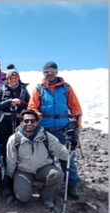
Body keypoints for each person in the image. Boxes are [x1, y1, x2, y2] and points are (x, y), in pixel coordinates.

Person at [28, 61, 83, 200]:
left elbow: (76, 109)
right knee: (46, 159)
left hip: (63, 128)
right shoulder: (38, 89)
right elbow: (32, 107)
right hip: (45, 129)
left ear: (57, 72)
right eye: (46, 71)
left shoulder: (66, 88)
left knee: (67, 157)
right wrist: (36, 113)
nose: (49, 73)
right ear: (43, 73)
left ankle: (72, 184)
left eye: (52, 70)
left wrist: (77, 126)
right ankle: (50, 184)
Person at [6, 109, 74, 208]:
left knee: (57, 175)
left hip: (43, 168)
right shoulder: (14, 139)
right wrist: (10, 179)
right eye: (26, 121)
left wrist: (70, 146)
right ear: (21, 122)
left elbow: (62, 154)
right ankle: (24, 188)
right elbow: (11, 160)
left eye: (33, 121)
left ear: (37, 122)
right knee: (23, 197)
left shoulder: (46, 136)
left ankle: (46, 196)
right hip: (23, 171)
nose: (29, 123)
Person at [0, 68, 30, 166]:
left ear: (18, 78)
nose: (13, 80)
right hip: (4, 122)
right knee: (6, 144)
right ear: (7, 79)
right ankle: (7, 168)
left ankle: (21, 168)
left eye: (15, 77)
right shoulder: (1, 90)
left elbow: (30, 105)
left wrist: (20, 102)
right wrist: (9, 101)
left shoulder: (23, 90)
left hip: (20, 122)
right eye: (11, 78)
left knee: (21, 144)